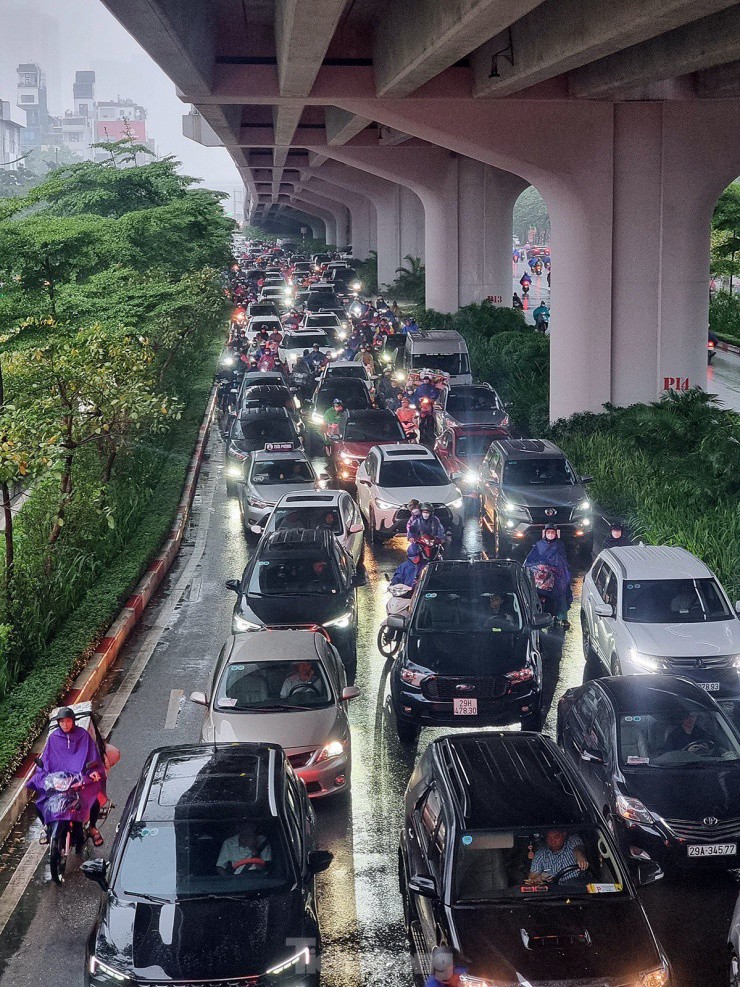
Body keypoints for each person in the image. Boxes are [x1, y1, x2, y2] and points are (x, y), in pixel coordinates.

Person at [28, 707, 106, 850]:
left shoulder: (83, 736)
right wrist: (42, 773)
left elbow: (92, 756)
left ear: (73, 721)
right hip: (58, 780)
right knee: (40, 802)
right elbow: (46, 759)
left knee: (93, 801)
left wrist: (93, 771)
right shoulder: (53, 738)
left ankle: (92, 827)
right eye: (62, 722)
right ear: (58, 723)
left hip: (80, 778)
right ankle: (46, 827)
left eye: (68, 721)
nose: (65, 725)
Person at [524, 525, 573, 628]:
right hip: (542, 579)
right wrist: (540, 567)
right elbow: (530, 561)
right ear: (545, 533)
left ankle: (562, 618)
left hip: (557, 576)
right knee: (537, 596)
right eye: (548, 532)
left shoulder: (559, 545)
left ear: (556, 534)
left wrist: (554, 570)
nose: (550, 535)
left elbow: (563, 562)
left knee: (561, 593)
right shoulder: (539, 545)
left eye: (552, 532)